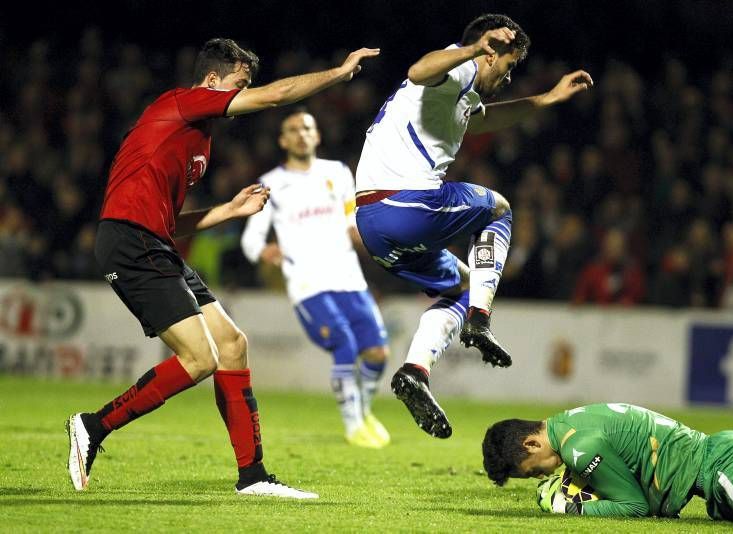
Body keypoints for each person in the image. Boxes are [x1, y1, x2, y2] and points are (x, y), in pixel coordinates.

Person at [66, 38, 379, 499]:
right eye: (238, 84)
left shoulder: (198, 140)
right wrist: (336, 74)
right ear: (212, 81)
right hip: (130, 241)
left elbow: (172, 224)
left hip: (154, 241)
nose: (243, 93)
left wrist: (229, 211)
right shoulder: (182, 103)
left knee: (232, 345)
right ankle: (93, 426)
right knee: (199, 359)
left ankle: (252, 476)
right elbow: (274, 96)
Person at [354, 13, 592, 438]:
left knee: (461, 286)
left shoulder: (457, 96)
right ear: (490, 51)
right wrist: (473, 49)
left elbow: (487, 118)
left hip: (375, 225)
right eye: (509, 65)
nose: (507, 75)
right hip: (408, 202)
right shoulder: (457, 66)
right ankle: (481, 318)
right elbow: (417, 69)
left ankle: (414, 372)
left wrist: (547, 99)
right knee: (499, 210)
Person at [240, 110, 391, 449]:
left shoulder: (337, 173)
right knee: (344, 343)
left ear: (317, 135)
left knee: (378, 353)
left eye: (307, 127)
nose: (300, 134)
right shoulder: (270, 183)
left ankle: (363, 411)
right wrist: (265, 253)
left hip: (349, 278)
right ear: (282, 140)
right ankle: (353, 426)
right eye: (292, 129)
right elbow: (251, 239)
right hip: (307, 284)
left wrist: (368, 236)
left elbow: (353, 219)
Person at [482, 403, 733, 528]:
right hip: (723, 456)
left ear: (531, 444)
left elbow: (634, 506)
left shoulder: (578, 446)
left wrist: (573, 509)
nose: (548, 474)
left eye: (536, 470)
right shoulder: (570, 422)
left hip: (723, 463)